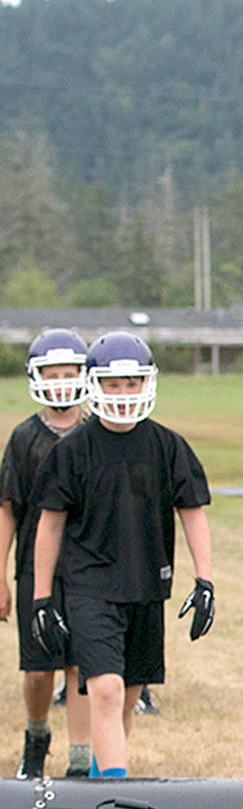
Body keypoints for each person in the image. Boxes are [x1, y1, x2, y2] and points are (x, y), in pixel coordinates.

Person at [29, 332, 214, 778]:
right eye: (114, 383)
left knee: (128, 696)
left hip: (146, 586)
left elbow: (192, 513)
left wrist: (205, 581)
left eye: (133, 383)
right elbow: (50, 524)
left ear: (148, 383)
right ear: (94, 384)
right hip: (89, 589)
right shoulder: (71, 451)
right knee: (107, 690)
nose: (124, 393)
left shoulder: (168, 446)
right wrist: (40, 599)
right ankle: (114, 796)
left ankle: (100, 781)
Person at [0, 329, 93, 778]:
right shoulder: (24, 439)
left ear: (83, 375)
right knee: (40, 670)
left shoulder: (99, 432)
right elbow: (7, 511)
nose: (60, 382)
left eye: (68, 373)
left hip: (89, 569)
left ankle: (79, 760)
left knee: (80, 665)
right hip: (35, 571)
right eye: (50, 374)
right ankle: (36, 739)